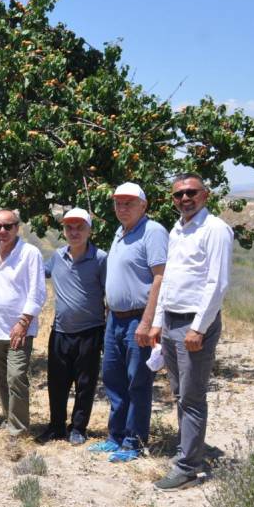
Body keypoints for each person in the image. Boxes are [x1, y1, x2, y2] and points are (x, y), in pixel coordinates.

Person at [151, 174, 232, 491]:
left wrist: (198, 328)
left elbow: (217, 283)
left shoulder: (215, 230)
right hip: (172, 321)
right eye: (178, 194)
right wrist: (159, 320)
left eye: (191, 193)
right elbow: (169, 280)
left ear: (205, 195)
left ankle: (188, 468)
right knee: (181, 393)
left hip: (194, 323)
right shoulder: (178, 229)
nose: (185, 198)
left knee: (193, 396)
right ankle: (191, 449)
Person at [94, 182, 167, 463]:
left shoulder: (153, 232)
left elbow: (160, 277)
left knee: (137, 381)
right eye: (118, 203)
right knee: (113, 379)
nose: (122, 208)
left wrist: (147, 322)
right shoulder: (119, 232)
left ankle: (133, 441)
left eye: (129, 203)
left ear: (143, 205)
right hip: (115, 319)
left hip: (139, 318)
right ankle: (115, 436)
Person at [41, 209, 107, 445]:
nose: (74, 232)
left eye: (80, 227)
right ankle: (56, 427)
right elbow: (36, 273)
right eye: (69, 228)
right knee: (57, 383)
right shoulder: (58, 257)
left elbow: (110, 291)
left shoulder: (101, 259)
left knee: (85, 384)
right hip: (60, 332)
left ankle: (78, 428)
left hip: (90, 332)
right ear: (64, 231)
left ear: (90, 230)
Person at [0, 209, 46, 437]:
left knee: (16, 377)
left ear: (17, 227)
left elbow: (38, 292)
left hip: (18, 329)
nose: (2, 231)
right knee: (2, 380)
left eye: (7, 226)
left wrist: (24, 321)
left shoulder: (30, 253)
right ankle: (11, 421)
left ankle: (18, 432)